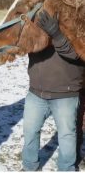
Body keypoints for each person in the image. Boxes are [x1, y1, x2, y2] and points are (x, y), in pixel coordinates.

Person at [21, 9, 84, 171]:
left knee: (67, 136)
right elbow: (22, 44)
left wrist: (56, 34)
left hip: (65, 94)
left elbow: (75, 55)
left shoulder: (78, 23)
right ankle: (29, 167)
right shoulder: (37, 19)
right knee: (29, 132)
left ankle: (66, 168)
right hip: (36, 92)